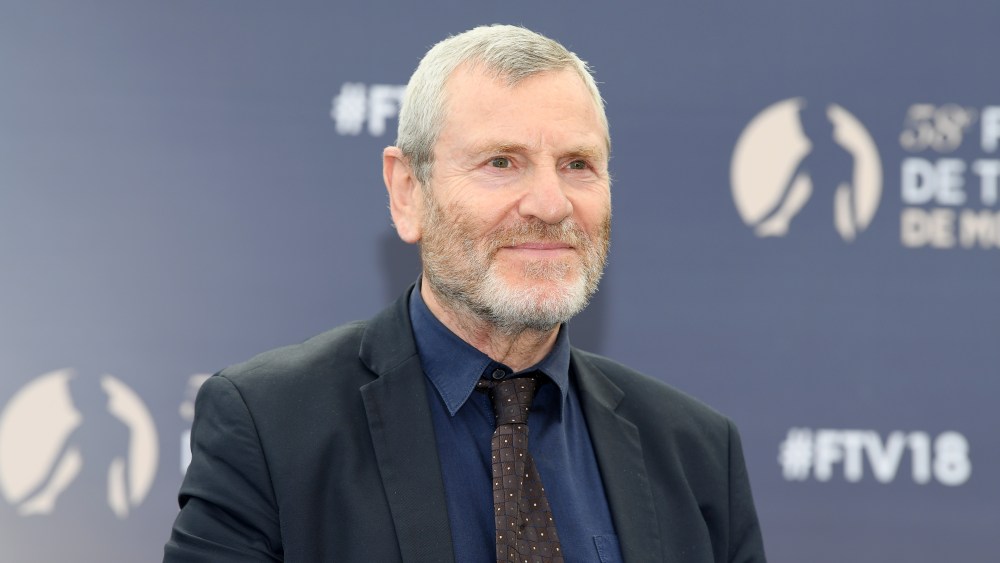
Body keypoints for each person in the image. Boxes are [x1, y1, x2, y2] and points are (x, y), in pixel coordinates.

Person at [164, 24, 766, 563]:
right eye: (501, 162)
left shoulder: (698, 453)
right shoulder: (270, 426)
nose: (550, 204)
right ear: (407, 191)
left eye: (578, 164)